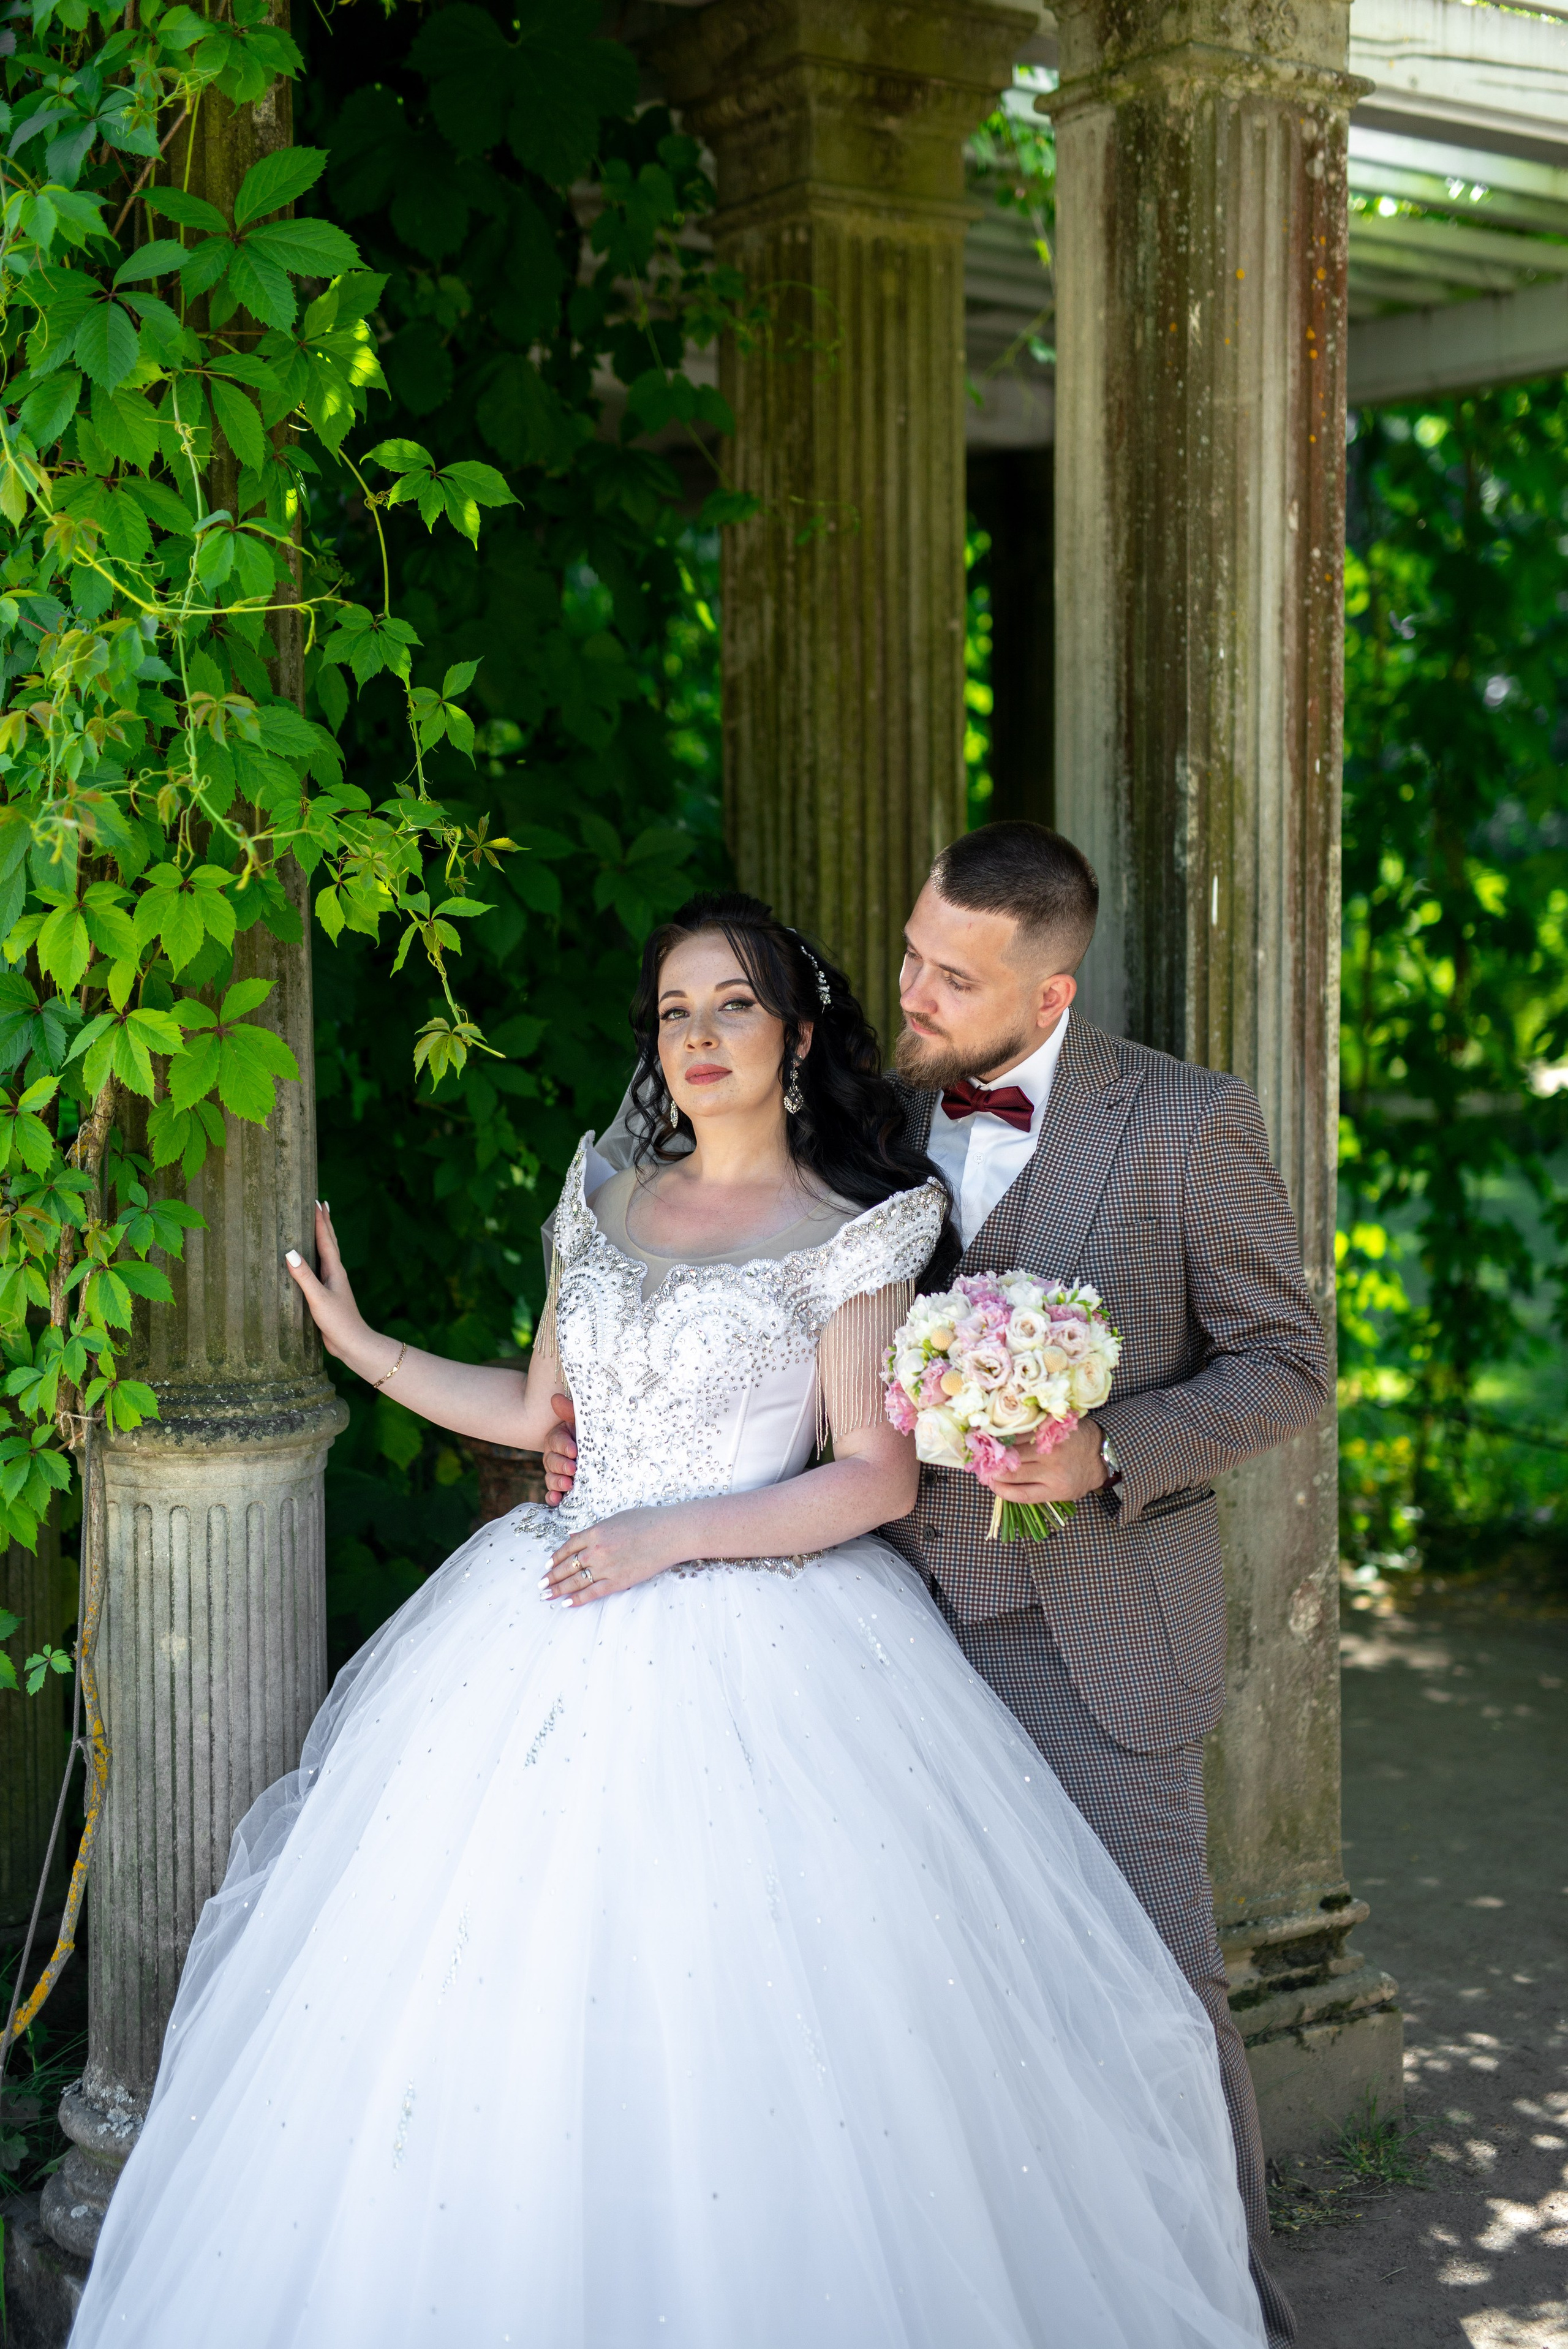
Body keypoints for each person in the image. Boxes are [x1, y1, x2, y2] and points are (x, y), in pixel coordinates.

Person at [70, 891, 1265, 2349]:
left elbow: (871, 1482)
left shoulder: (861, 1229)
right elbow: (531, 1410)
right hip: (538, 1621)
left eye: (733, 1007)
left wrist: (664, 1537)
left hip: (756, 1628)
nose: (697, 1039)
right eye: (672, 1012)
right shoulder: (604, 1193)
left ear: (798, 1032)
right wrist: (363, 1346)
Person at [545, 832, 1332, 2349]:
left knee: (1157, 1999)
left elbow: (1288, 1365)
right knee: (914, 2026)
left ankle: (1232, 2308)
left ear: (1050, 992)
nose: (905, 991)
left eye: (948, 977)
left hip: (1094, 1637)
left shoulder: (1184, 1124)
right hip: (873, 1635)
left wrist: (1106, 1443)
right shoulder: (861, 1116)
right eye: (907, 952)